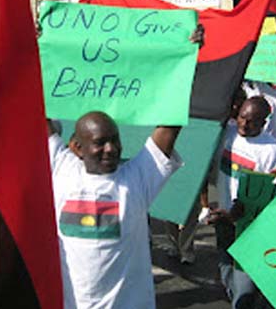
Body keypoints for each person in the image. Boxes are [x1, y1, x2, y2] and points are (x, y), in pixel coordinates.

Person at [47, 112, 182, 309]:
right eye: (100, 142)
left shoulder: (138, 178)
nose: (110, 149)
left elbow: (170, 126)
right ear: (77, 147)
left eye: (114, 140)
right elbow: (34, 112)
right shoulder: (61, 169)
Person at [209, 96, 276, 309]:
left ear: (263, 123)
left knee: (244, 289)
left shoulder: (273, 152)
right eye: (242, 117)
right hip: (223, 219)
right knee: (226, 272)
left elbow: (271, 196)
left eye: (251, 121)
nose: (244, 124)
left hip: (248, 228)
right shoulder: (228, 135)